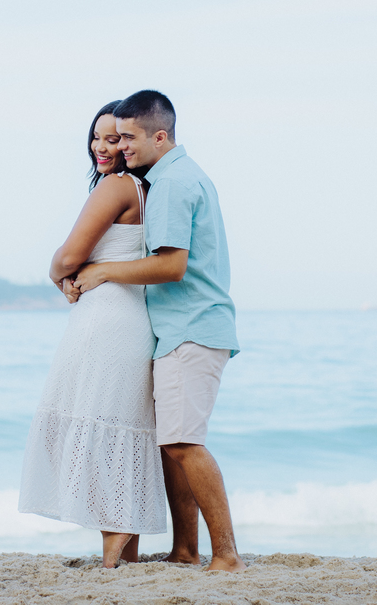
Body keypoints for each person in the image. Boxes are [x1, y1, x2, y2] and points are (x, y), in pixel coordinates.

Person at [73, 90, 245, 572]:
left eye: (128, 136)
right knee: (173, 446)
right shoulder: (179, 176)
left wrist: (104, 271)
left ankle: (227, 556)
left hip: (191, 326)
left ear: (160, 136)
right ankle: (186, 550)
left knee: (184, 443)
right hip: (182, 328)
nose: (119, 145)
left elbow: (171, 265)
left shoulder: (171, 183)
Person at [18, 101, 167, 568]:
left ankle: (113, 547)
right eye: (97, 137)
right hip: (130, 318)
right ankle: (127, 553)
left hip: (104, 323)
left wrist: (54, 271)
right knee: (121, 429)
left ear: (130, 143)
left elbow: (69, 256)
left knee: (98, 427)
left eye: (115, 139)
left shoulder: (114, 187)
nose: (103, 147)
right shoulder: (144, 189)